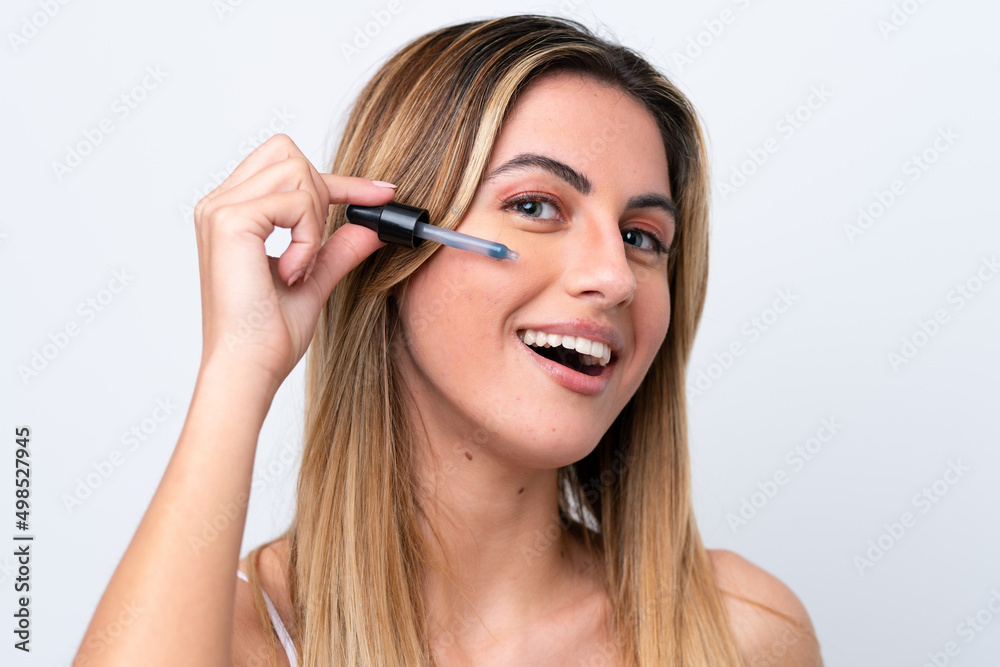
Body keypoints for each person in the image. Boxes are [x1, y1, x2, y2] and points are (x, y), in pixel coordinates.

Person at [74, 14, 822, 666]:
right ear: (392, 248)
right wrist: (238, 365)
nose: (614, 277)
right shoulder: (242, 642)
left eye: (641, 236)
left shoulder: (742, 632)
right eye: (535, 204)